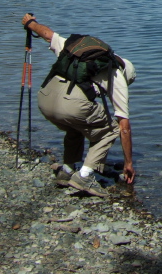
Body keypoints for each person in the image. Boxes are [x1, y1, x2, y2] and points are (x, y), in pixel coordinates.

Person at [22, 13, 136, 197]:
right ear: (125, 73)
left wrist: (30, 23)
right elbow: (124, 127)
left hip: (44, 99)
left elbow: (47, 34)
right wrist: (128, 163)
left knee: (76, 125)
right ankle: (84, 175)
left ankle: (67, 170)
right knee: (111, 129)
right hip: (70, 105)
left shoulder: (79, 50)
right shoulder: (117, 76)